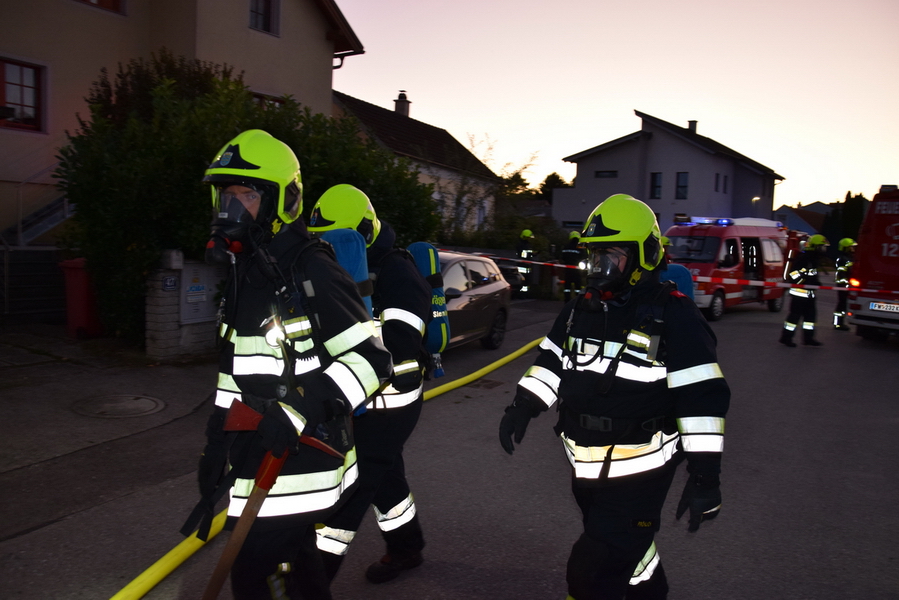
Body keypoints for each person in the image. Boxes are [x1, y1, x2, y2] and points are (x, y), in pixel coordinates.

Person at [188, 130, 393, 600]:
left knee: (253, 574)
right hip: (254, 451)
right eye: (226, 196)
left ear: (284, 201)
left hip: (301, 460)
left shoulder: (310, 268)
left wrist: (299, 408)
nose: (232, 209)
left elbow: (372, 359)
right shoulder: (247, 272)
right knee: (298, 570)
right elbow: (235, 372)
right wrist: (215, 444)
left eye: (247, 195)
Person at [499, 194, 730, 600]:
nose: (597, 266)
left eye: (610, 255)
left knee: (592, 570)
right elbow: (551, 361)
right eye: (593, 254)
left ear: (645, 255)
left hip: (640, 473)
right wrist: (523, 405)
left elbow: (702, 401)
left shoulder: (675, 316)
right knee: (627, 548)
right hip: (584, 465)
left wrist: (705, 476)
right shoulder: (580, 309)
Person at [307, 185, 432, 584]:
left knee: (350, 487)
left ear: (363, 232)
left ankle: (308, 583)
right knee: (386, 475)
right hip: (353, 396)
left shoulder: (397, 272)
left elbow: (402, 344)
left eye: (338, 240)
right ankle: (406, 548)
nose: (329, 248)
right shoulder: (330, 269)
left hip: (390, 402)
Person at [780, 234, 829, 347]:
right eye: (822, 247)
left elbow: (811, 274)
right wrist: (805, 280)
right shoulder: (803, 258)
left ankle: (808, 339)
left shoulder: (813, 260)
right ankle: (786, 338)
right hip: (799, 294)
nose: (823, 250)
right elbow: (793, 274)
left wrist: (814, 282)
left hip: (810, 294)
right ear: (815, 247)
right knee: (794, 318)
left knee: (810, 319)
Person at [657, 236, 694, 300]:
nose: (667, 249)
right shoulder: (680, 272)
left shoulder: (668, 257)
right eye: (665, 246)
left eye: (667, 247)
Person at [833, 237, 856, 330]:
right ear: (845, 248)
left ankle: (839, 322)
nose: (853, 249)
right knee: (842, 304)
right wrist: (845, 284)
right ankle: (838, 323)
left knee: (843, 304)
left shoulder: (849, 258)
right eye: (851, 247)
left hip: (846, 284)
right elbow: (842, 273)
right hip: (843, 285)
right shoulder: (843, 259)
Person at [561, 230, 588, 301]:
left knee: (567, 287)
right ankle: (578, 301)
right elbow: (584, 257)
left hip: (567, 270)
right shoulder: (580, 247)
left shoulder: (566, 247)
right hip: (577, 270)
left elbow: (563, 257)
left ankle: (567, 301)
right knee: (578, 287)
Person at [516, 228, 535, 294]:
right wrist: (530, 255)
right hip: (522, 266)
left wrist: (533, 254)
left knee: (527, 282)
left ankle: (525, 293)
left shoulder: (528, 245)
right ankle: (521, 294)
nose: (530, 239)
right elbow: (523, 255)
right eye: (529, 237)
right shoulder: (521, 245)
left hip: (527, 266)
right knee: (522, 281)